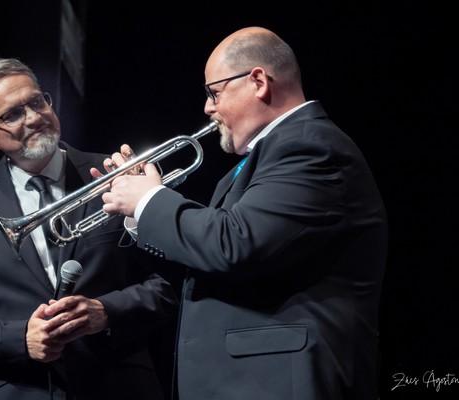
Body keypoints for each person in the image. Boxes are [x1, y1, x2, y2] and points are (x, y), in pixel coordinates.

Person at [98, 27, 388, 399]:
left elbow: (234, 243)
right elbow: (209, 266)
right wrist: (140, 214)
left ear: (258, 82)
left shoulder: (312, 147)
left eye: (214, 92)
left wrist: (149, 200)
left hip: (281, 384)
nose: (208, 108)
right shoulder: (263, 160)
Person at [0, 58, 177, 400]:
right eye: (13, 115)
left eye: (37, 102)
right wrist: (20, 338)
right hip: (21, 390)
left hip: (120, 385)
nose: (34, 117)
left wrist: (106, 312)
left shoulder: (117, 173)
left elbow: (169, 284)